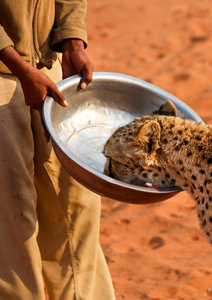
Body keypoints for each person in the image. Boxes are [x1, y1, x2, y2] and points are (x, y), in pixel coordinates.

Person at [0, 1, 115, 299]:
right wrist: (17, 66)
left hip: (47, 66)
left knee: (76, 205)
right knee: (12, 217)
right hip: (5, 72)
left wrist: (72, 40)